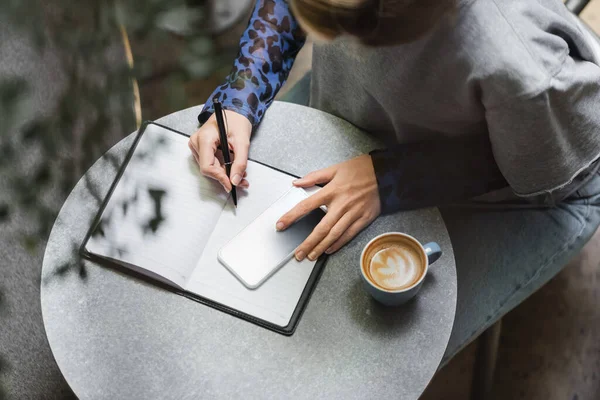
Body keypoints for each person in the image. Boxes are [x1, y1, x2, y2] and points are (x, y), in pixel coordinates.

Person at [188, 0, 600, 363]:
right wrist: (241, 96)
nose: (320, 40)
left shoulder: (520, 64)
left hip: (536, 182)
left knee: (357, 352)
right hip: (378, 110)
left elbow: (548, 165)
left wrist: (388, 177)